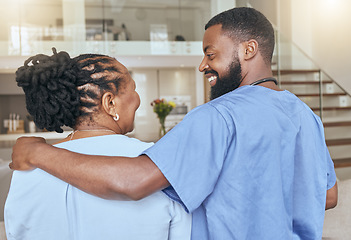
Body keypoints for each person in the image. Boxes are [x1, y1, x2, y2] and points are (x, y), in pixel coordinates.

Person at [10, 7, 337, 240]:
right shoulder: (306, 115)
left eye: (210, 54)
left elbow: (136, 181)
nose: (202, 65)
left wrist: (39, 153)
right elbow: (328, 195)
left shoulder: (217, 115)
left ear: (249, 49)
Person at [5, 49, 191, 240]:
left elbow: (17, 231)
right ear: (109, 102)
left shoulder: (26, 166)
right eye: (133, 89)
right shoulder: (154, 164)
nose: (137, 99)